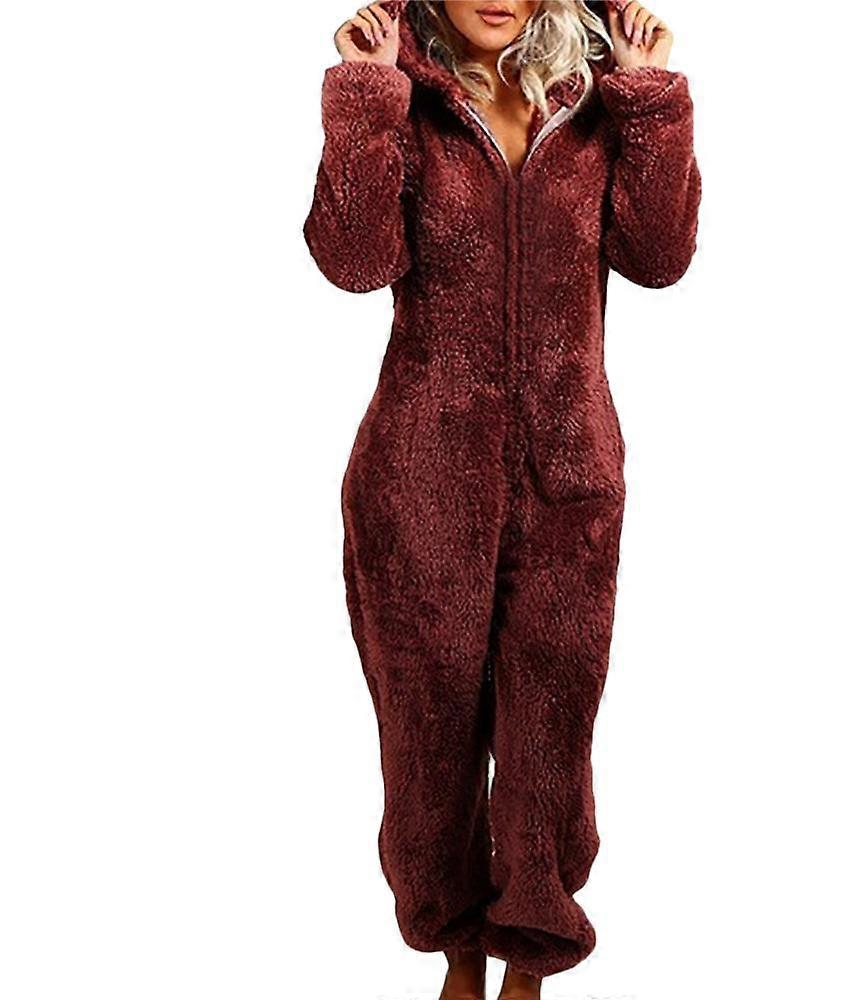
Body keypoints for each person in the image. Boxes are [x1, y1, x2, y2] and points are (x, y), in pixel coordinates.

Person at [303, 2, 700, 996]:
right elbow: (354, 261)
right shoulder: (407, 102)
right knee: (427, 730)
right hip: (420, 472)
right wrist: (366, 98)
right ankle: (455, 942)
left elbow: (659, 257)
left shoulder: (594, 102)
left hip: (571, 479)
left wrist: (648, 97)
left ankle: (530, 943)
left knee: (550, 728)